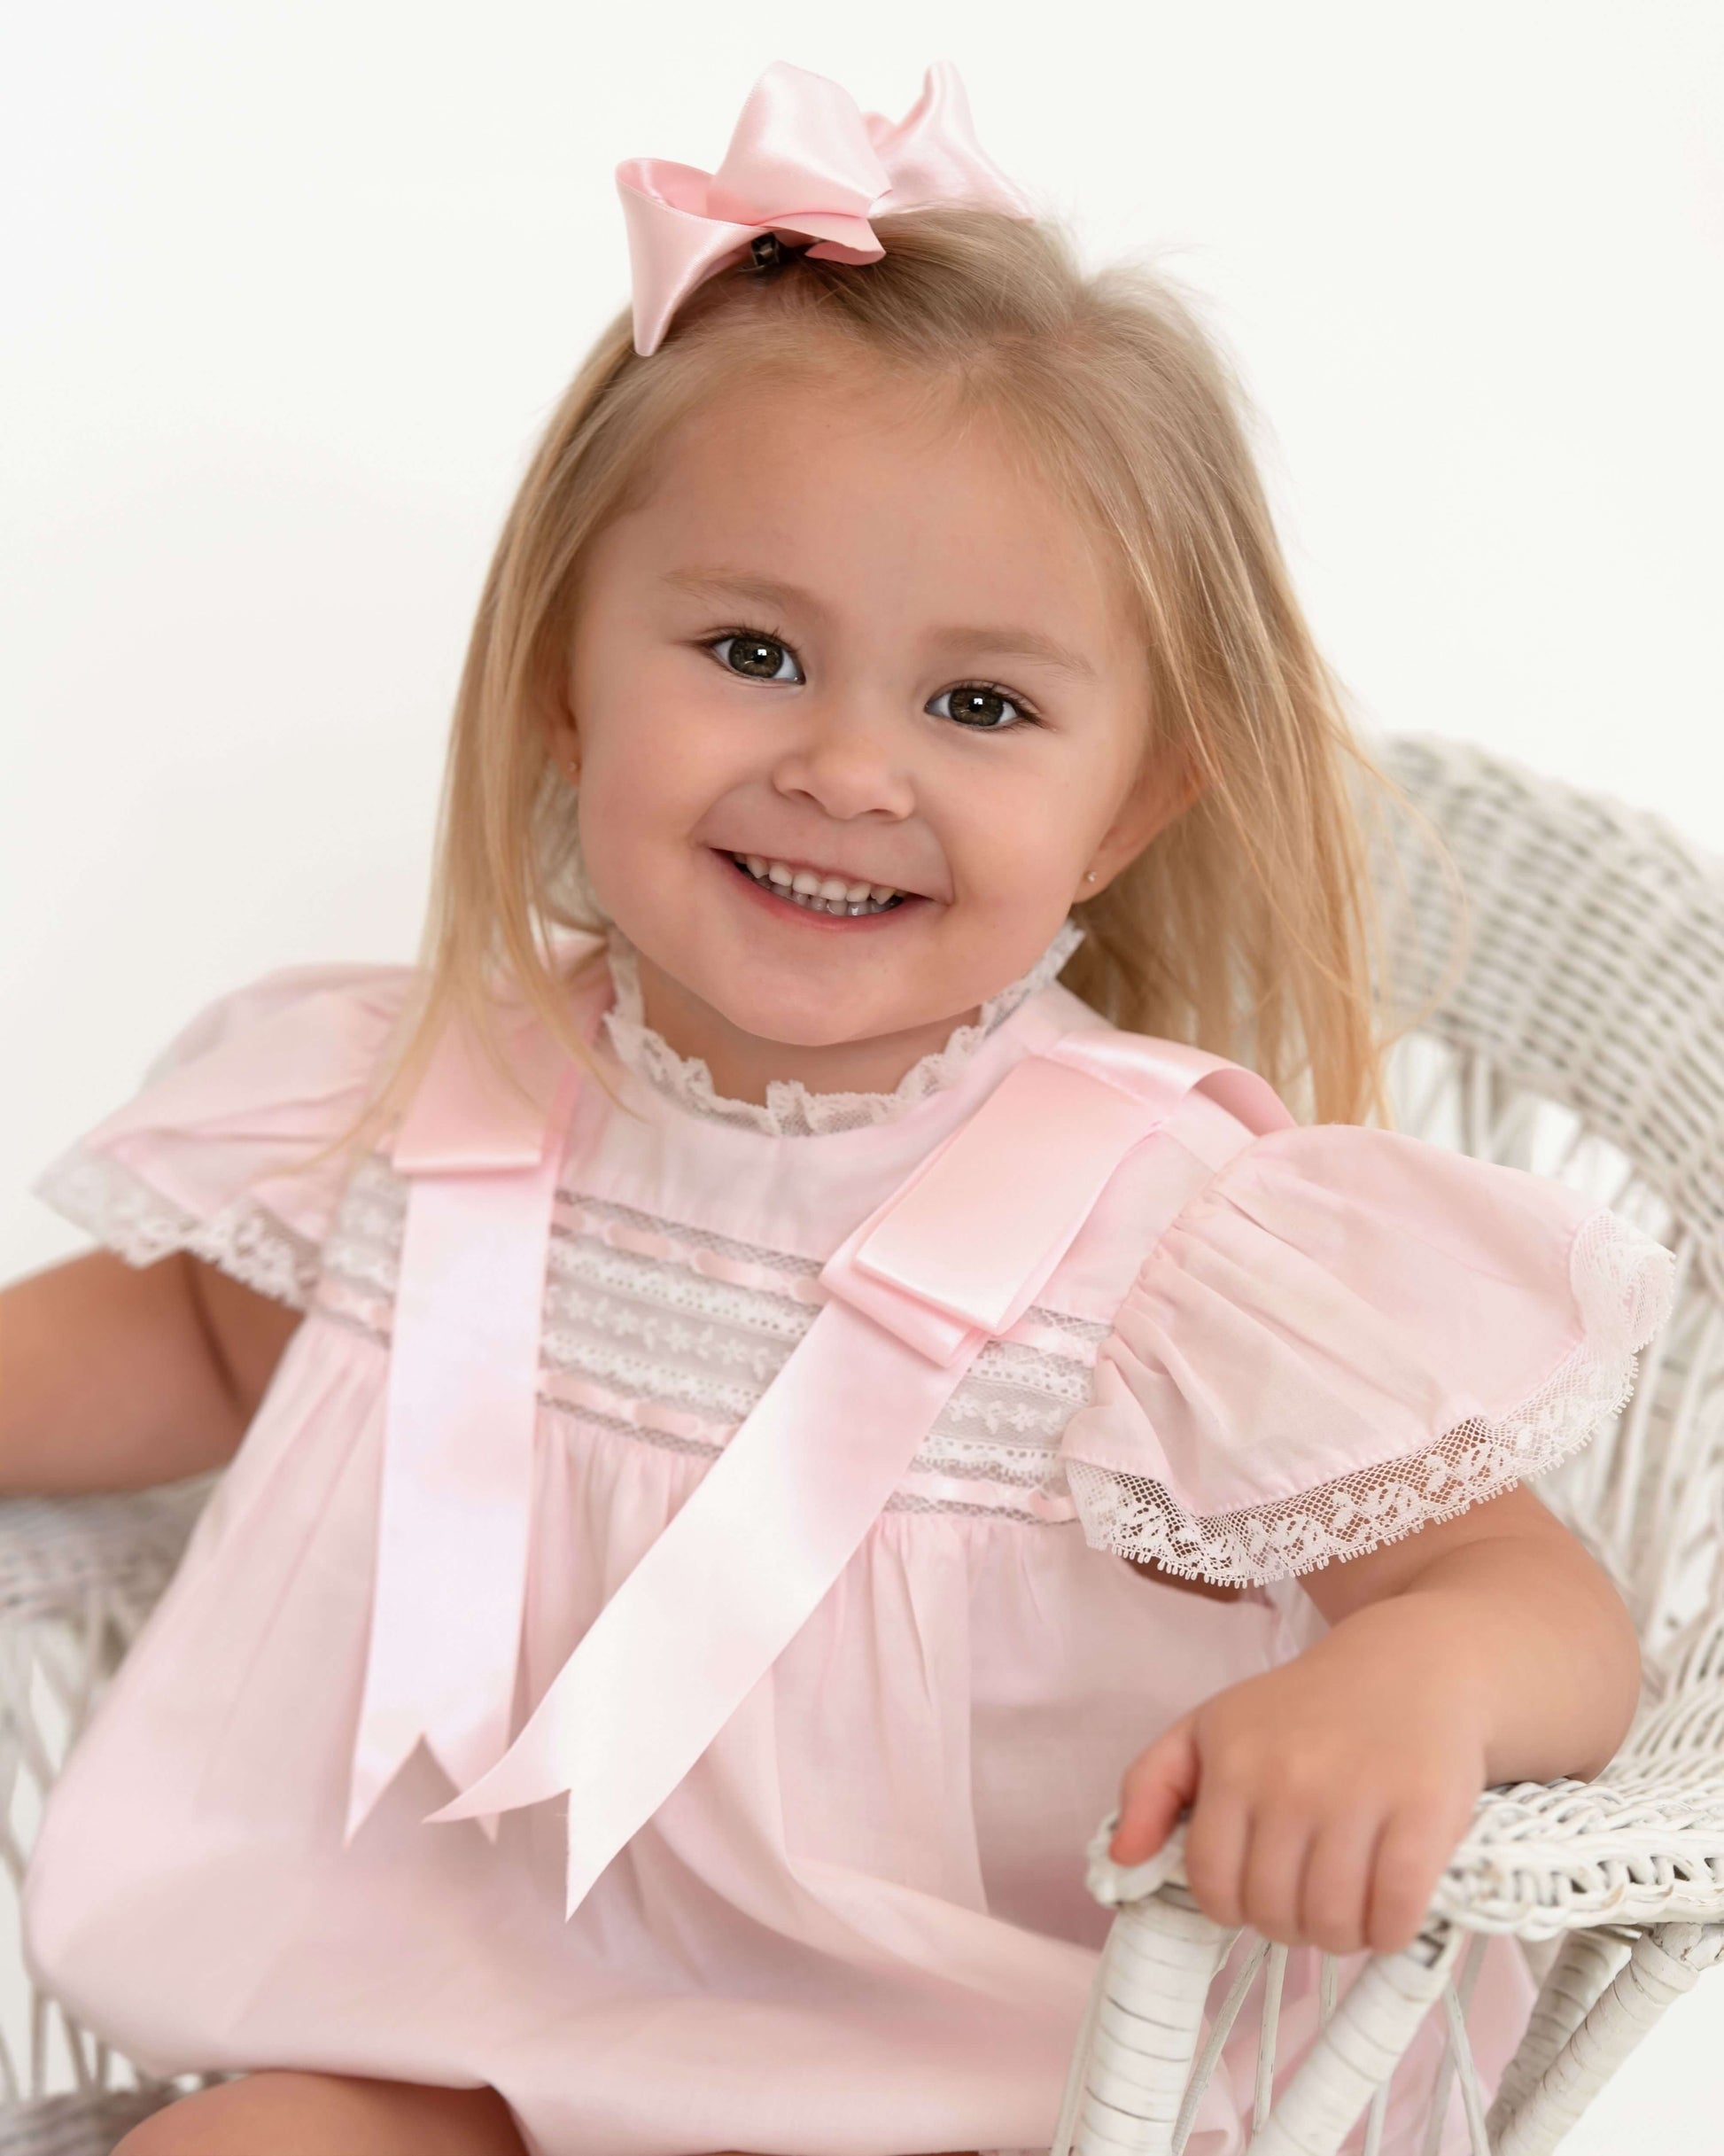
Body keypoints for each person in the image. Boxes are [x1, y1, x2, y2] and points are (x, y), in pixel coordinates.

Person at [1, 58, 1674, 2156]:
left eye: (979, 705)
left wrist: (1412, 1680)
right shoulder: (442, 1100)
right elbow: (188, 1332)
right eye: (749, 650)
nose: (852, 769)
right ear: (563, 676)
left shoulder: (1179, 1235)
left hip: (975, 2069)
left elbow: (1525, 1594)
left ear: (1131, 798)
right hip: (462, 2006)